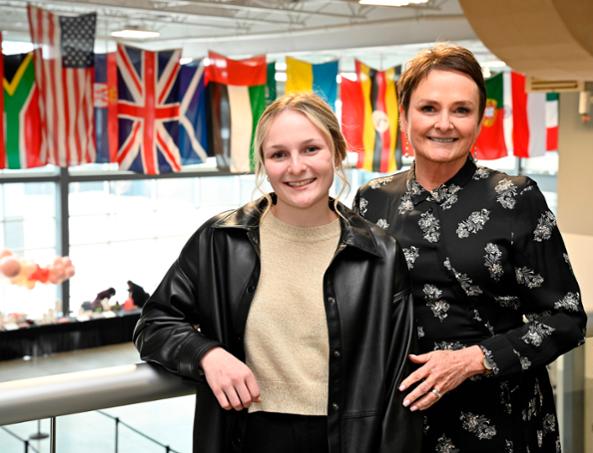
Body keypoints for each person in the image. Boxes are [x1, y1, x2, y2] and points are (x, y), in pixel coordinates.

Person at [133, 93, 422, 453]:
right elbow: (154, 323)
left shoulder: (379, 253)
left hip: (346, 442)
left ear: (337, 152)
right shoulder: (220, 240)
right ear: (264, 163)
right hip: (246, 435)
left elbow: (398, 380)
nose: (295, 167)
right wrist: (207, 354)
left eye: (311, 149)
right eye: (279, 154)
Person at [354, 44, 587, 452]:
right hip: (403, 417)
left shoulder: (515, 198)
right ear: (404, 113)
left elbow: (566, 319)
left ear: (479, 120)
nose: (444, 124)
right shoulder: (372, 199)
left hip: (501, 417)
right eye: (429, 108)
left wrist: (472, 360)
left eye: (461, 110)